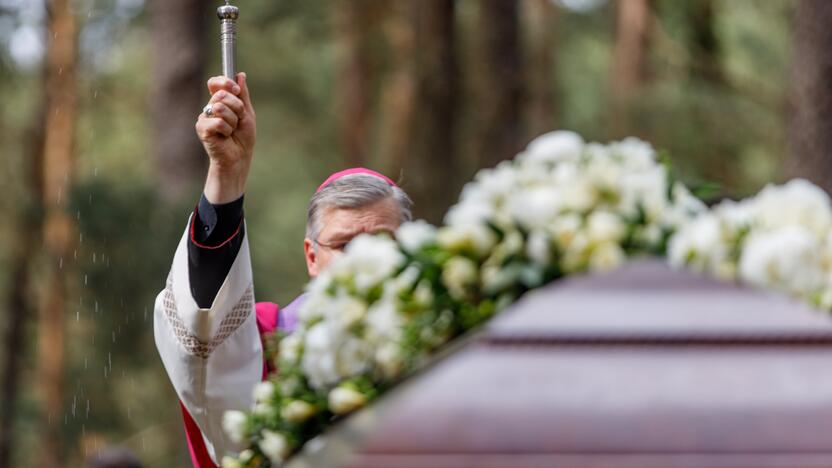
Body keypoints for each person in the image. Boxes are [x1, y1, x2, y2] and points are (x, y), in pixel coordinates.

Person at [153, 73, 413, 467]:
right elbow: (203, 341)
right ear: (312, 257)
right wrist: (227, 175)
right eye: (345, 245)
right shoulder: (267, 341)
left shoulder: (450, 339)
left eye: (381, 243)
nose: (364, 261)